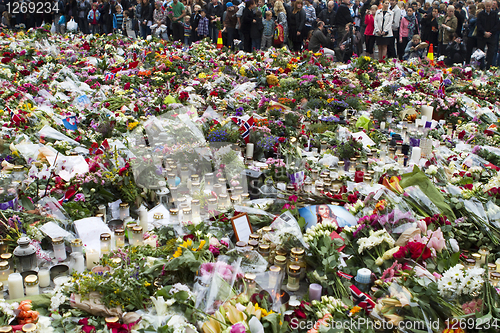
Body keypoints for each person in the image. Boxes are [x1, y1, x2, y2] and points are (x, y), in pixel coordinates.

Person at [476, 0, 499, 69]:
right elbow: (478, 24)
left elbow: (497, 25)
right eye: (487, 6)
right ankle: (480, 67)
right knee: (480, 53)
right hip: (482, 36)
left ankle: (489, 68)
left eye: (489, 6)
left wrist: (490, 33)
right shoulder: (480, 14)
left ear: (492, 6)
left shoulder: (495, 14)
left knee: (491, 53)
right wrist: (484, 32)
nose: (488, 8)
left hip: (491, 36)